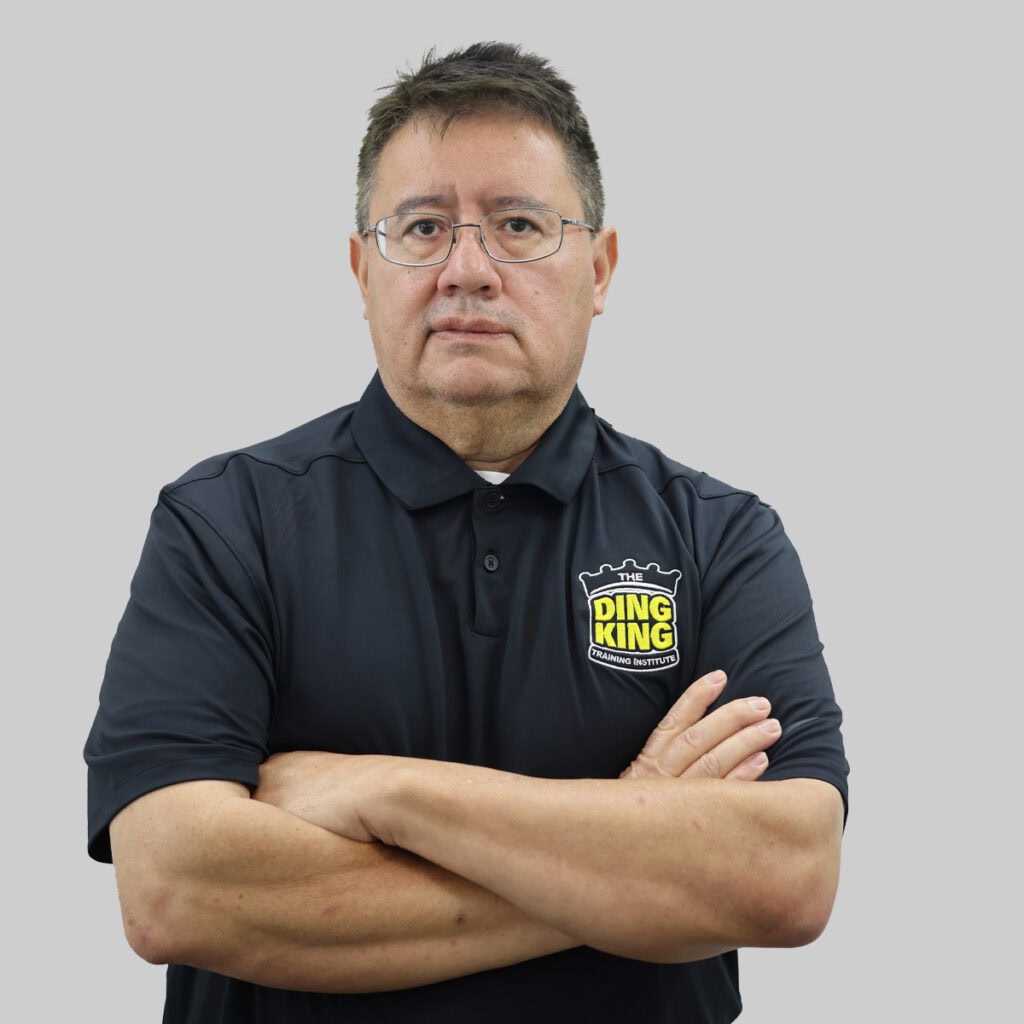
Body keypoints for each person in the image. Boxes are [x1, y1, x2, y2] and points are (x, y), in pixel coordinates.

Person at [84, 41, 848, 1024]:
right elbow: (176, 890)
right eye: (422, 226)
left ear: (600, 267)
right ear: (362, 270)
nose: (468, 269)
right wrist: (631, 842)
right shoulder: (227, 523)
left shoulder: (720, 539)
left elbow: (783, 877)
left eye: (520, 225)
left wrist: (386, 794)